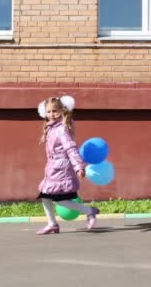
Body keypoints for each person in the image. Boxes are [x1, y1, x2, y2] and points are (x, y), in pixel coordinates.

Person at [36, 96, 100, 235]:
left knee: (57, 199)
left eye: (54, 111)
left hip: (61, 169)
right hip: (53, 168)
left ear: (61, 111)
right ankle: (53, 223)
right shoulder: (51, 128)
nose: (51, 114)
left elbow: (71, 149)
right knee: (48, 197)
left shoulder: (61, 130)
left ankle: (89, 212)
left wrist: (78, 166)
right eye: (48, 112)